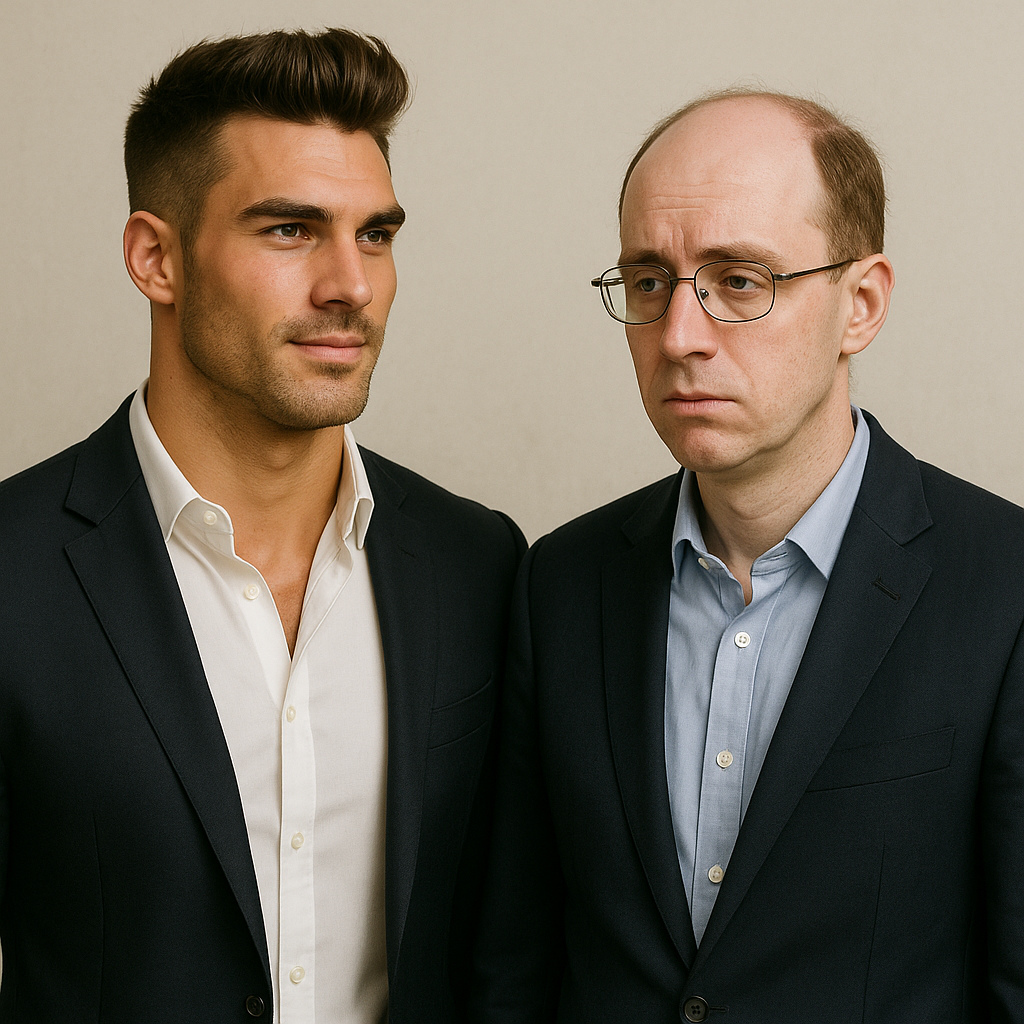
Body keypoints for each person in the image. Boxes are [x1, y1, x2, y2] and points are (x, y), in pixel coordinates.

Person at [0, 28, 524, 1024]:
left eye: (376, 234)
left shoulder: (476, 563)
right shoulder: (14, 573)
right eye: (290, 230)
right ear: (156, 256)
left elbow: (507, 952)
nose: (350, 285)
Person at [469, 90, 1024, 1022]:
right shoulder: (558, 584)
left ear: (861, 305)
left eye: (739, 281)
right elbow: (513, 971)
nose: (679, 337)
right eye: (650, 282)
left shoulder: (1004, 588)